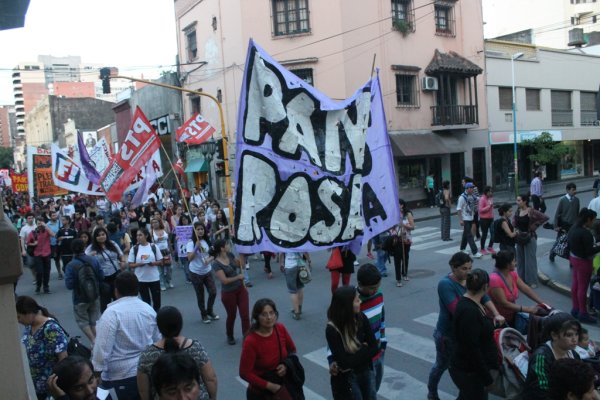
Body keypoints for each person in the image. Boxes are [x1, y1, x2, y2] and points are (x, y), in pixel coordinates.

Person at [427, 252, 505, 400]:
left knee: (470, 384)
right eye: (464, 268)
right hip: (447, 334)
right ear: (453, 267)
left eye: (470, 268)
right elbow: (458, 311)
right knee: (441, 365)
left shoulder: (469, 282)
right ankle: (432, 391)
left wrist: (496, 313)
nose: (468, 272)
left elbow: (483, 296)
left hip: (465, 333)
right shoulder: (446, 284)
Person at [92, 271, 160, 399]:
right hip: (149, 372)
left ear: (116, 291)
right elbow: (158, 340)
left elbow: (102, 348)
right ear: (137, 289)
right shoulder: (148, 309)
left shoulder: (111, 313)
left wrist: (96, 373)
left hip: (121, 377)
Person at [137, 306, 217, 400]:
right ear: (180, 324)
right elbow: (210, 378)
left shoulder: (147, 354)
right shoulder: (195, 347)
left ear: (158, 327)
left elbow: (143, 389)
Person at [449, 269, 498, 400]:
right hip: (470, 372)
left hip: (472, 371)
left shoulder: (475, 303)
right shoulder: (469, 312)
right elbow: (471, 349)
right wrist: (487, 379)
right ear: (486, 287)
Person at [240, 298, 302, 399]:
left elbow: (292, 350)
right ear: (257, 317)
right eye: (264, 314)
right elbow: (244, 373)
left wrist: (285, 366)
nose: (269, 317)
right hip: (261, 393)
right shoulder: (251, 341)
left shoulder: (280, 328)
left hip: (282, 385)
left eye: (271, 313)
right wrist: (270, 386)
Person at [326, 285, 378, 399]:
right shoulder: (332, 329)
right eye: (356, 300)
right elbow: (344, 363)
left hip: (366, 371)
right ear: (347, 305)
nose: (360, 301)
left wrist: (352, 354)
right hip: (349, 378)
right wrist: (364, 348)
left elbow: (375, 347)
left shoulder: (360, 317)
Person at [16, 296, 68, 400]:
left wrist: (56, 385)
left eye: (19, 317)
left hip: (50, 389)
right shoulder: (29, 326)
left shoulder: (51, 329)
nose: (18, 321)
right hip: (37, 387)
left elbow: (63, 358)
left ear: (29, 312)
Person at [523, 312, 582, 400]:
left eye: (576, 334)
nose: (575, 339)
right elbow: (540, 391)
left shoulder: (574, 354)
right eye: (569, 335)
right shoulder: (541, 357)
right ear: (554, 335)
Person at [488, 250, 546, 332]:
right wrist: (528, 309)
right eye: (514, 261)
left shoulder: (512, 274)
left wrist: (542, 303)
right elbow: (504, 303)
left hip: (512, 315)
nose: (516, 263)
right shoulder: (494, 279)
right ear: (508, 265)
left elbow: (525, 289)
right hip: (499, 321)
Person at [210, 238, 250, 345]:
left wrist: (242, 255)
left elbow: (240, 265)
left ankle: (247, 338)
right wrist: (238, 277)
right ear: (222, 248)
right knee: (232, 316)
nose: (229, 246)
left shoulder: (230, 255)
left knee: (245, 315)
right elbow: (224, 281)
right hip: (228, 293)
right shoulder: (216, 264)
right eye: (227, 244)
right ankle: (230, 335)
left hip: (241, 289)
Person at [64, 239, 104, 344]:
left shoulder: (70, 265)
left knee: (82, 320)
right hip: (94, 295)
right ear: (84, 247)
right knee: (94, 319)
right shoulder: (93, 260)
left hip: (79, 298)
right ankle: (98, 341)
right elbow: (101, 276)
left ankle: (93, 340)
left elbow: (69, 285)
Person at [356, 264, 387, 393]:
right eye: (372, 288)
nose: (375, 290)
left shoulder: (379, 295)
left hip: (379, 349)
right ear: (360, 284)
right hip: (363, 355)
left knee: (377, 382)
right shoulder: (354, 302)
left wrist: (383, 341)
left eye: (377, 286)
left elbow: (382, 318)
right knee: (368, 389)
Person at [568, 208, 600, 324]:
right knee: (583, 287)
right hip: (583, 262)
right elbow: (589, 251)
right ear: (588, 219)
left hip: (574, 258)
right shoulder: (585, 233)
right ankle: (583, 312)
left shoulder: (573, 229)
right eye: (593, 220)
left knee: (575, 285)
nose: (593, 223)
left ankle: (575, 308)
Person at [85, 226, 125, 312]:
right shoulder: (91, 248)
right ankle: (106, 318)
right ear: (95, 237)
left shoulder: (112, 243)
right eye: (98, 235)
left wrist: (122, 262)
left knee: (118, 298)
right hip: (102, 277)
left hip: (116, 274)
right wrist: (91, 256)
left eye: (103, 234)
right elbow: (84, 259)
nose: (101, 237)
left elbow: (121, 255)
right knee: (105, 300)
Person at [187, 222, 220, 324]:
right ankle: (204, 314)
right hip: (195, 272)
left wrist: (209, 260)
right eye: (198, 229)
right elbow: (189, 258)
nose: (200, 231)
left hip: (207, 271)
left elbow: (214, 254)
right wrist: (196, 247)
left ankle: (209, 311)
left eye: (202, 229)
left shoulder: (207, 241)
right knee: (200, 295)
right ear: (194, 231)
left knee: (213, 292)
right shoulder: (191, 243)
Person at [514, 193, 549, 287]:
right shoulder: (518, 211)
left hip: (530, 237)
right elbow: (514, 222)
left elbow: (544, 217)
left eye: (519, 200)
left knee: (530, 260)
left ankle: (532, 281)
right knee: (520, 260)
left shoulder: (532, 211)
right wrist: (515, 228)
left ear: (524, 201)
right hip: (520, 237)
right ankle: (521, 281)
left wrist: (535, 225)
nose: (517, 202)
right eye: (517, 200)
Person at [128, 228, 164, 311]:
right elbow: (130, 264)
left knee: (157, 301)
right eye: (137, 235)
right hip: (141, 279)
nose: (138, 237)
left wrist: (153, 263)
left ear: (146, 236)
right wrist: (139, 264)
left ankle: (157, 318)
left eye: (140, 235)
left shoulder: (153, 246)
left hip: (154, 278)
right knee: (146, 302)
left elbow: (161, 261)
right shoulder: (134, 249)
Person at [550, 182, 580, 262]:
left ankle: (571, 260)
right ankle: (552, 253)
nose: (574, 191)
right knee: (559, 241)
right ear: (567, 190)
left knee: (571, 243)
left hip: (573, 225)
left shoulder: (577, 200)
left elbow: (577, 213)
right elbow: (557, 213)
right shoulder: (562, 200)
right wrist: (555, 226)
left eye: (575, 189)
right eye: (573, 190)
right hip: (564, 225)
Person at [28, 216, 57, 294]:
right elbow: (28, 243)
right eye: (38, 223)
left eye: (41, 223)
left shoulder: (47, 231)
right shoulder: (33, 232)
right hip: (37, 254)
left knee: (47, 272)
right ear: (36, 224)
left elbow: (53, 235)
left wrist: (46, 226)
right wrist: (34, 243)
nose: (40, 225)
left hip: (47, 253)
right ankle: (38, 286)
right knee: (40, 272)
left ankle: (46, 287)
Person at [390, 199, 415, 287]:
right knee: (397, 259)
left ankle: (405, 273)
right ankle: (398, 279)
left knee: (405, 258)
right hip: (397, 240)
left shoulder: (408, 214)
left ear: (402, 205)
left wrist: (403, 225)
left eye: (398, 204)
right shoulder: (393, 214)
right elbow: (391, 228)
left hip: (406, 239)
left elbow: (412, 227)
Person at [456, 182, 482, 258]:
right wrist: (461, 220)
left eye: (473, 188)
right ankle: (475, 252)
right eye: (471, 188)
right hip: (465, 219)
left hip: (471, 217)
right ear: (467, 189)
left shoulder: (473, 196)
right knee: (469, 235)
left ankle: (462, 249)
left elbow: (479, 199)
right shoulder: (462, 197)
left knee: (465, 234)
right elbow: (458, 209)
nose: (472, 189)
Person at [283, 251, 311, 320]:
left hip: (289, 266)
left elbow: (281, 253)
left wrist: (281, 263)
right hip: (300, 265)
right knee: (300, 287)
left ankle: (296, 312)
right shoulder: (299, 239)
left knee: (293, 291)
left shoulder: (284, 240)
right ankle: (299, 308)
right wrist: (309, 259)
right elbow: (304, 251)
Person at [151, 218, 173, 291]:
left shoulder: (163, 230)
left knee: (170, 268)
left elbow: (168, 240)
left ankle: (168, 280)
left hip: (166, 251)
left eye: (156, 222)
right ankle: (162, 284)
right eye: (153, 223)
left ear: (159, 222)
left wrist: (171, 249)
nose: (154, 224)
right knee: (160, 270)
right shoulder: (151, 232)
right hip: (158, 253)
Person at [478, 186, 495, 255]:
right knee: (484, 234)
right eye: (490, 192)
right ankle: (482, 248)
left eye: (491, 191)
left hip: (491, 218)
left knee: (493, 233)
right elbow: (480, 210)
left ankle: (490, 247)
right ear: (486, 192)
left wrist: (491, 207)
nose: (491, 193)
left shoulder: (490, 198)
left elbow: (491, 207)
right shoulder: (482, 199)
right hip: (484, 219)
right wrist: (489, 206)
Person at [47, 211, 63, 279]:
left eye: (55, 215)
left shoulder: (60, 223)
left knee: (64, 257)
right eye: (53, 215)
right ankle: (59, 272)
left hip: (62, 243)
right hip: (53, 244)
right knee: (56, 259)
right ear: (50, 216)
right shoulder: (47, 225)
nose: (55, 216)